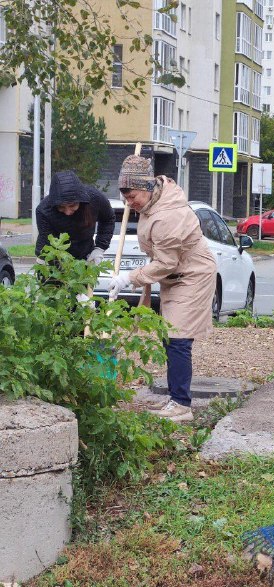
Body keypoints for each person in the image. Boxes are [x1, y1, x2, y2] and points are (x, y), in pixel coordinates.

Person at [108, 155, 216, 423]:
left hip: (192, 276)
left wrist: (129, 278)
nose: (129, 203)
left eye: (132, 196)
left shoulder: (168, 216)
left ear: (146, 188)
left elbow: (167, 262)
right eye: (125, 198)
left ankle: (181, 405)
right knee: (170, 337)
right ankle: (175, 399)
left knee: (178, 337)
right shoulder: (151, 202)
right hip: (175, 276)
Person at [35, 170, 115, 265]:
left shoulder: (95, 198)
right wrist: (53, 264)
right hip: (54, 258)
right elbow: (47, 240)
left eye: (72, 205)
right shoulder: (44, 211)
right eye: (61, 207)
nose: (68, 212)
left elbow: (108, 219)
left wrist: (100, 248)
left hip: (85, 255)